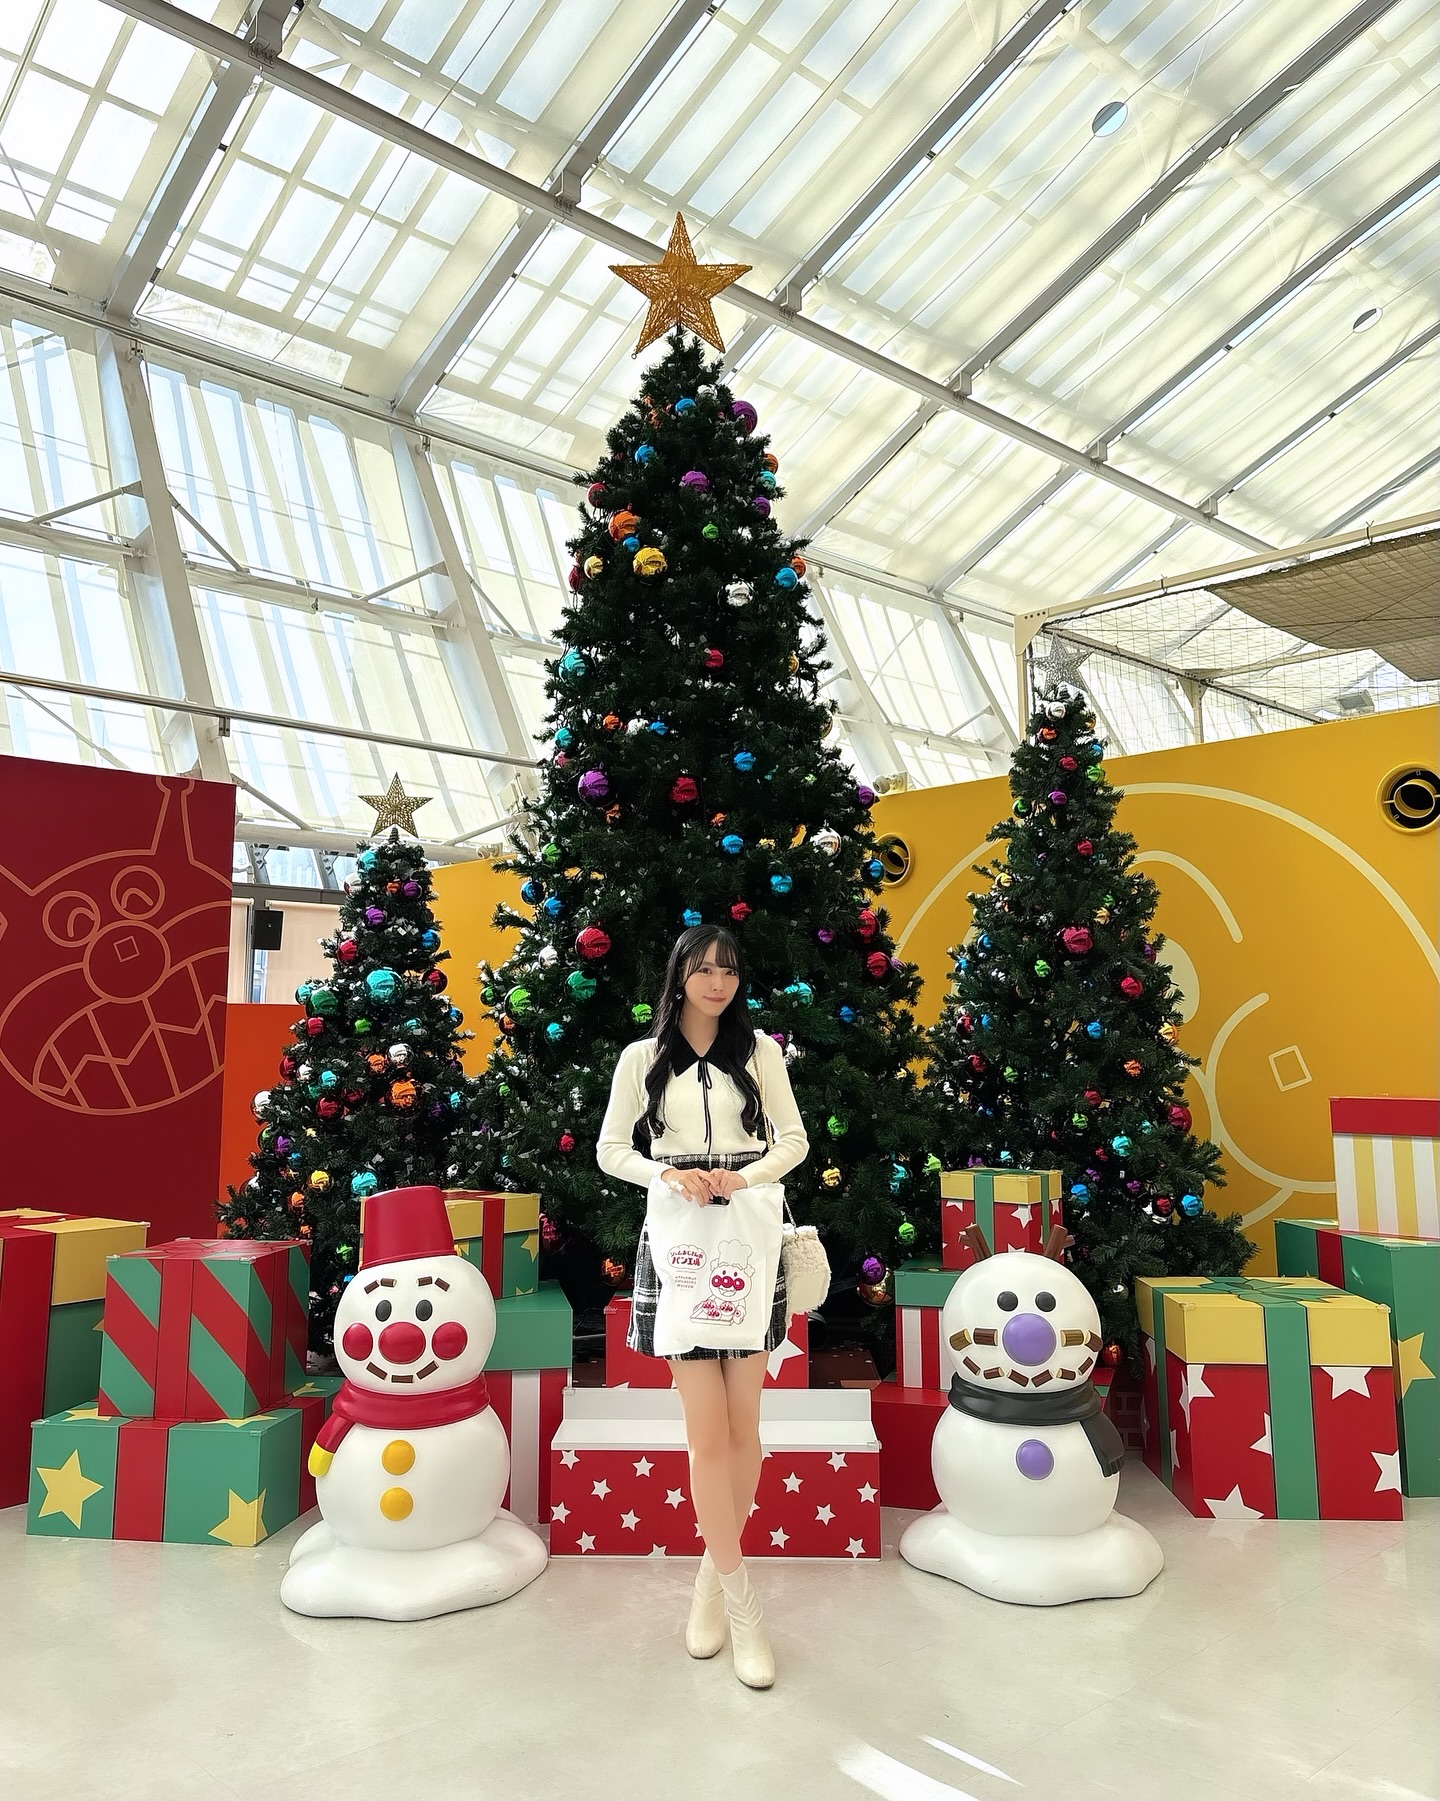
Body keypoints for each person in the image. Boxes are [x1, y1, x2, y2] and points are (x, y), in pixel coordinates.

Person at [597, 925, 809, 1689]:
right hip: (680, 1241)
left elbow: (794, 1140)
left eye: (729, 970)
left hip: (747, 1236)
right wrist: (666, 1174)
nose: (717, 982)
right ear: (678, 974)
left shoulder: (762, 1053)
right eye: (703, 969)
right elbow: (611, 1148)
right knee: (706, 1431)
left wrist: (744, 1178)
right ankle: (742, 1601)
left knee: (746, 1425)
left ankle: (711, 1579)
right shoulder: (640, 1057)